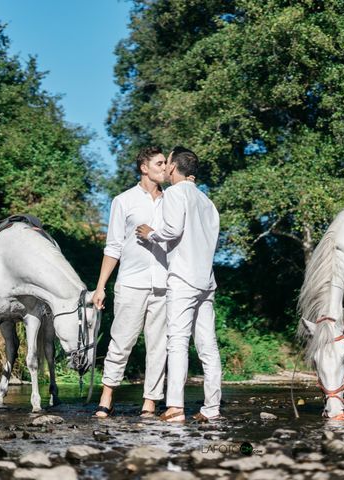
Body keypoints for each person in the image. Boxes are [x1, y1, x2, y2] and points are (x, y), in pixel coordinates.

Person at [136, 146, 222, 423]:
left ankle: (174, 406)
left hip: (183, 278)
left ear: (173, 167)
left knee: (178, 342)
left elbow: (172, 230)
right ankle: (212, 408)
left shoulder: (175, 193)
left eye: (167, 163)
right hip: (206, 280)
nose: (165, 168)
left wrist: (151, 234)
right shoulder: (208, 202)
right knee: (208, 346)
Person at [92, 146, 168, 418]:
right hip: (130, 282)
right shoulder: (123, 201)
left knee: (159, 345)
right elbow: (113, 247)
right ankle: (107, 396)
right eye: (159, 163)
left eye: (166, 163)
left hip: (163, 285)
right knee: (121, 342)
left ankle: (150, 402)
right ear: (144, 168)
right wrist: (101, 286)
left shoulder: (172, 201)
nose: (165, 168)